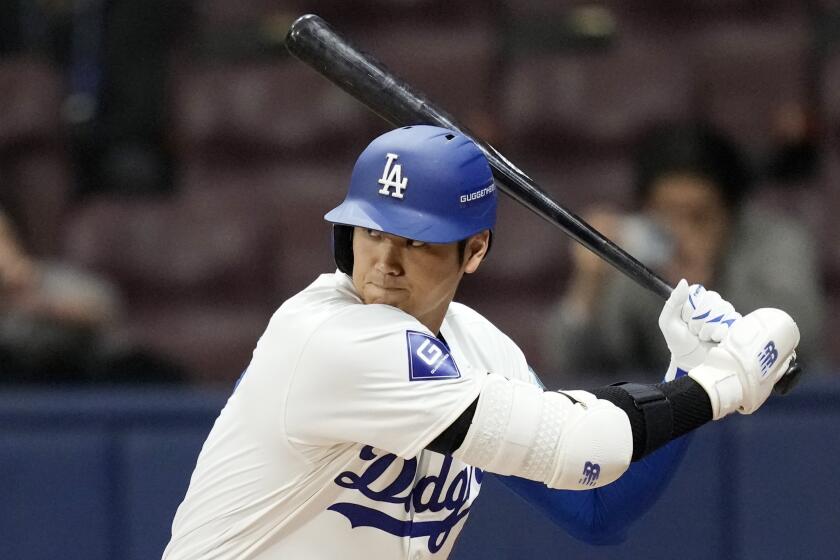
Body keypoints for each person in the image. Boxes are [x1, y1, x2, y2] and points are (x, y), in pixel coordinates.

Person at [163, 125, 800, 559]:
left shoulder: (476, 348)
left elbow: (598, 507)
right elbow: (585, 444)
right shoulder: (329, 339)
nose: (385, 261)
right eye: (369, 232)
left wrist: (681, 371)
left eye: (415, 240)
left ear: (476, 251)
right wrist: (723, 384)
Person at [541, 122, 823, 384]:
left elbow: (802, 337)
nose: (680, 231)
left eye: (698, 216)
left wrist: (709, 289)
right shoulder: (639, 251)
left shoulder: (778, 242)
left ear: (731, 211)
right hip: (671, 416)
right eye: (666, 214)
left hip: (770, 411)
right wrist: (588, 287)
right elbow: (573, 364)